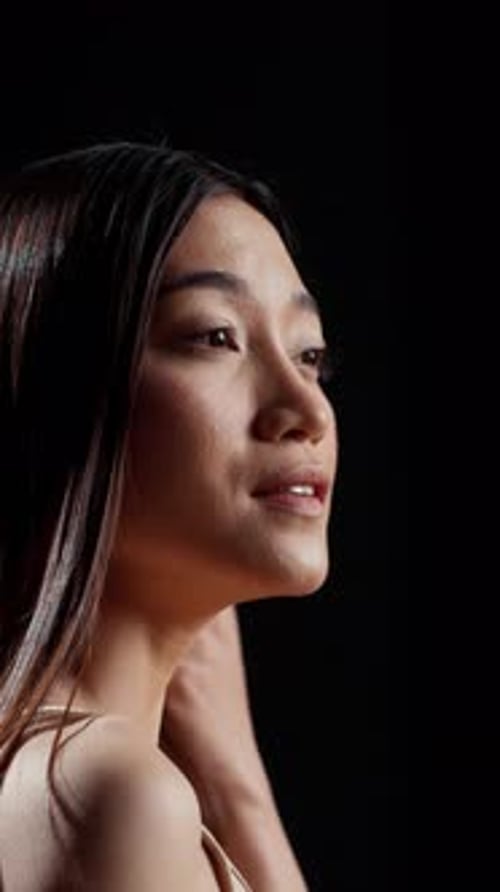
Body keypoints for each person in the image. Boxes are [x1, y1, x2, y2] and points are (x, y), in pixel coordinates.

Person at [0, 141, 338, 891]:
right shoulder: (111, 796)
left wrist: (232, 784)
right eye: (215, 337)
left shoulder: (73, 778)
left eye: (311, 355)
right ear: (52, 392)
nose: (306, 409)